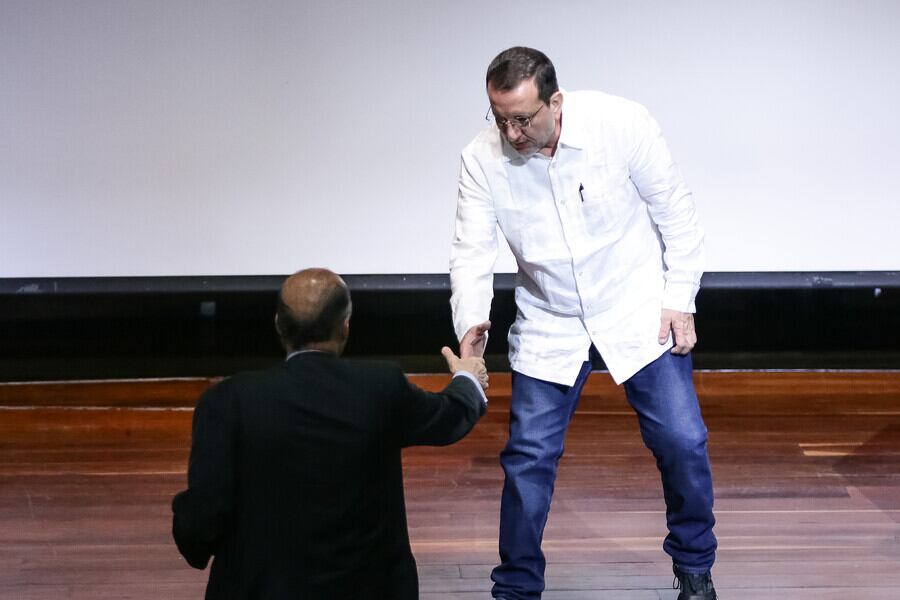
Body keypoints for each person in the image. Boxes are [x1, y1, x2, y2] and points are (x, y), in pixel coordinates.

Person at [449, 47, 717, 600]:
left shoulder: (620, 123)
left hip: (633, 303)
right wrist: (471, 332)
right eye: (499, 118)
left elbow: (676, 209)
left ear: (555, 100)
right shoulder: (481, 159)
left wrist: (679, 295)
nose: (512, 131)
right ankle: (516, 590)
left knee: (683, 440)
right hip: (550, 317)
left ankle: (694, 564)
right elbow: (471, 253)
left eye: (523, 118)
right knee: (528, 459)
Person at [172, 268, 489, 599]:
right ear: (345, 326)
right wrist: (467, 373)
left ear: (279, 323)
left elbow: (201, 522)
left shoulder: (227, 401)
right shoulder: (380, 388)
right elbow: (450, 416)